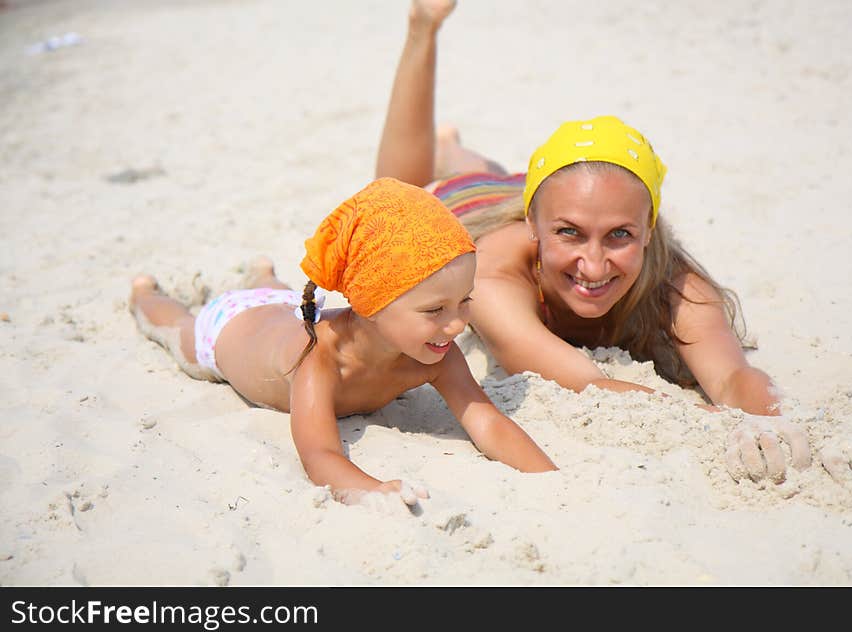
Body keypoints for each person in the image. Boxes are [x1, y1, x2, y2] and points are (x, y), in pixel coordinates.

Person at [373, 0, 813, 484]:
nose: (595, 264)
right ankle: (424, 36)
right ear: (532, 227)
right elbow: (591, 382)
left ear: (649, 230)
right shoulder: (492, 277)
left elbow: (733, 377)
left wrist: (774, 417)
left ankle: (458, 151)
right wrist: (720, 425)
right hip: (469, 210)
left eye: (620, 236)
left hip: (557, 191)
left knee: (499, 177)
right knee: (399, 195)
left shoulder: (679, 284)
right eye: (570, 235)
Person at [130, 177, 557, 508]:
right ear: (370, 305)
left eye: (465, 302)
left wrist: (551, 478)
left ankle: (264, 275)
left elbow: (488, 422)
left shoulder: (435, 353)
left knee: (279, 294)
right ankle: (144, 295)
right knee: (178, 330)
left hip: (287, 309)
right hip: (228, 329)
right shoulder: (318, 358)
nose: (456, 325)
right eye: (434, 311)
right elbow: (319, 455)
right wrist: (376, 491)